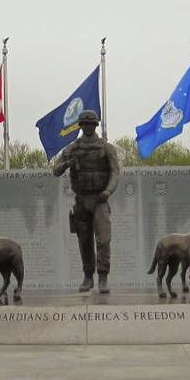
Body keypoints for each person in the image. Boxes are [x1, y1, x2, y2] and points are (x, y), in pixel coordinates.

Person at [52, 110, 121, 294]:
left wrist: (108, 191)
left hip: (100, 199)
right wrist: (68, 163)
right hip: (81, 200)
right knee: (84, 241)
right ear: (81, 126)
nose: (88, 127)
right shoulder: (72, 148)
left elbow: (115, 172)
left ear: (95, 126)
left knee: (104, 239)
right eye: (85, 124)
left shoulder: (107, 148)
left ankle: (103, 276)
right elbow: (56, 170)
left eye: (91, 124)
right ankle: (88, 276)